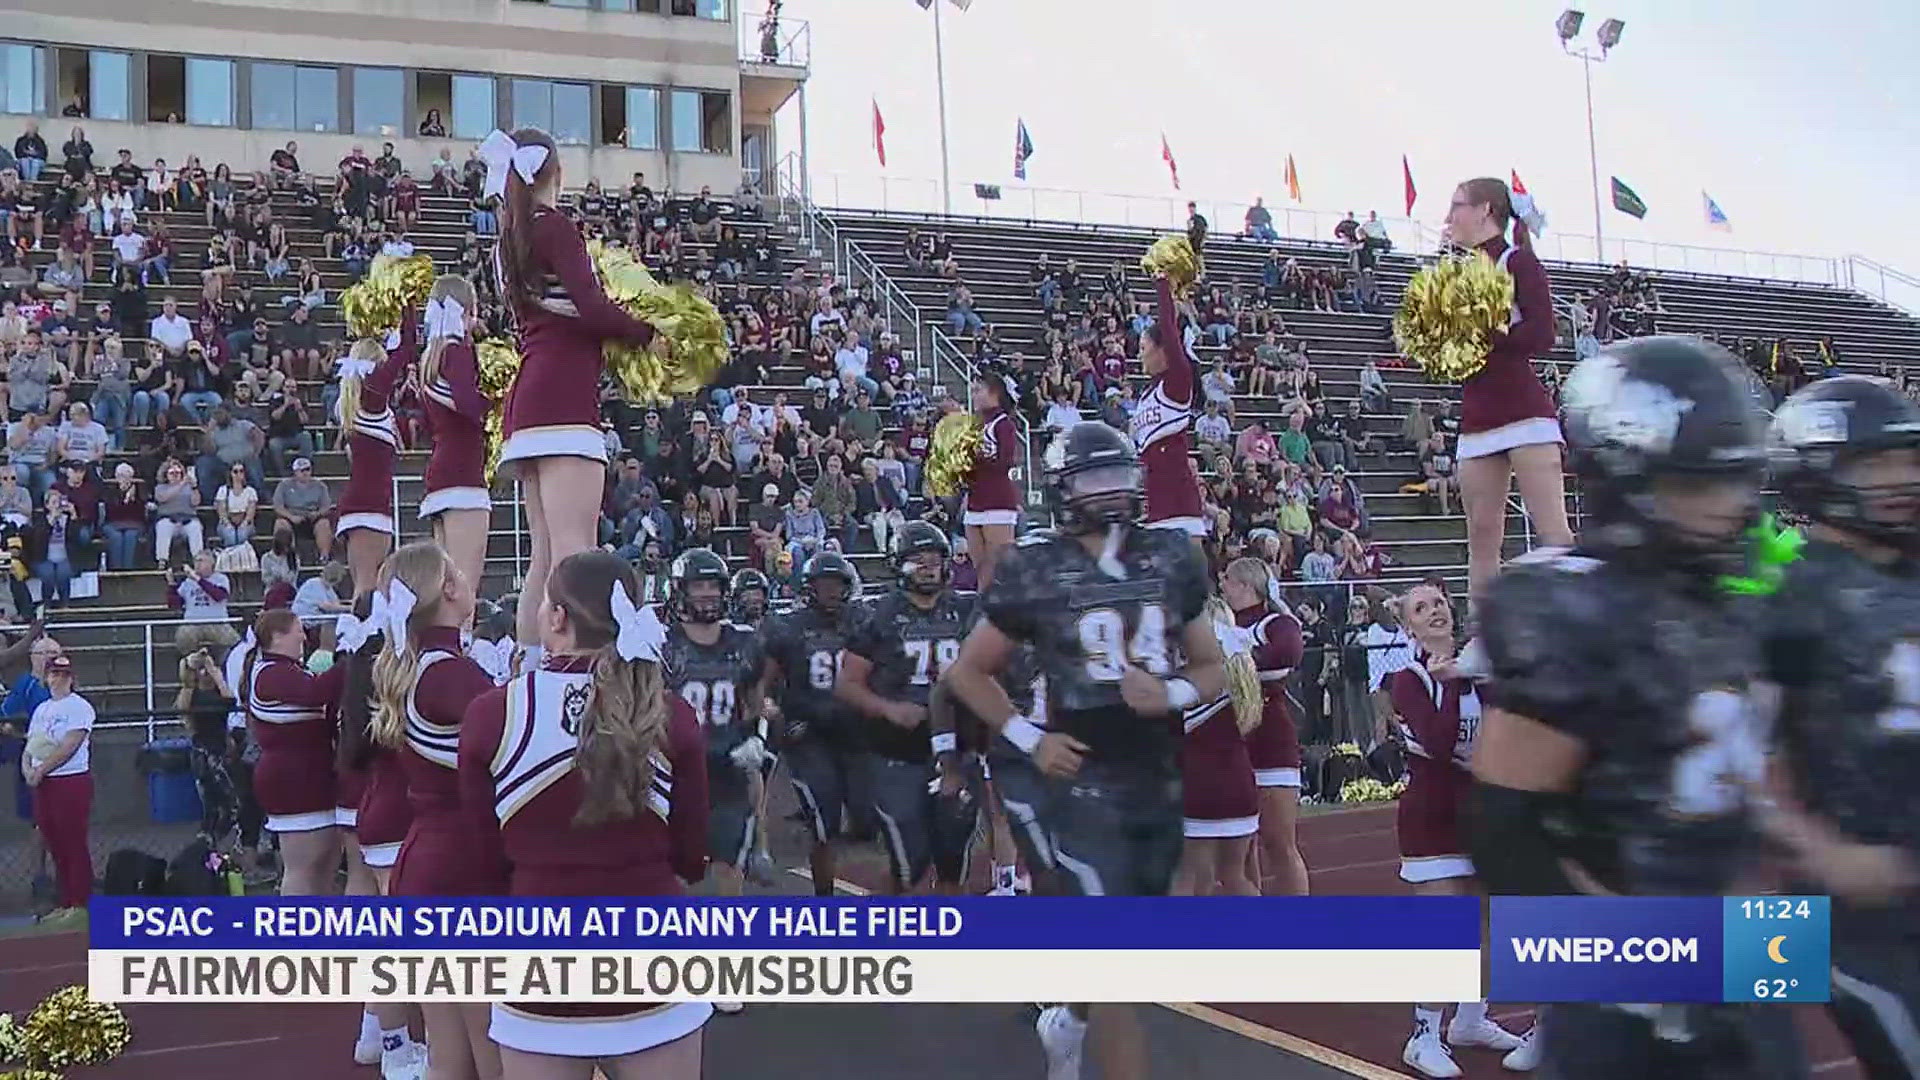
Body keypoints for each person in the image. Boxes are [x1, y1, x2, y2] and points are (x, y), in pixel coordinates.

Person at [1469, 338, 1805, 1079]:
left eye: (1737, 482)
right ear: (1631, 478)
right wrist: (1623, 958)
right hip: (1627, 977)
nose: (1735, 508)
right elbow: (1504, 831)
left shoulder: (1730, 603)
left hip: (1743, 944)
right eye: (1704, 486)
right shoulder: (1572, 605)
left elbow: (1739, 789)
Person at [942, 421, 1225, 1080]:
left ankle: (1068, 1017)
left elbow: (1211, 666)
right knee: (1120, 966)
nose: (1109, 491)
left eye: (1117, 475)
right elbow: (967, 671)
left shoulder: (1171, 555)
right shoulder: (1035, 564)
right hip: (1081, 776)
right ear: (1064, 489)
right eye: (1093, 478)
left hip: (1156, 767)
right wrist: (1027, 737)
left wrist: (1173, 691)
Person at [458, 550, 711, 1080]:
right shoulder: (670, 714)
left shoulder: (491, 714)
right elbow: (691, 858)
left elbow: (483, 864)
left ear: (556, 618)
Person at [1761, 375, 1920, 1080]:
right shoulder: (1789, 602)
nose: (1900, 479)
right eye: (1874, 463)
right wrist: (1822, 848)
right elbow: (1739, 764)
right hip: (1860, 918)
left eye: (1906, 460)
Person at [486, 127, 662, 656]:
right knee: (573, 555)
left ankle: (531, 670)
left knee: (544, 555)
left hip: (529, 400)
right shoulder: (554, 228)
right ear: (555, 174)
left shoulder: (508, 238)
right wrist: (649, 332)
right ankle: (575, 671)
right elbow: (590, 307)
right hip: (563, 398)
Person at [369, 541, 500, 1080]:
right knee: (493, 1045)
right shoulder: (452, 674)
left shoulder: (423, 664)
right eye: (459, 572)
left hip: (427, 861)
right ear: (448, 590)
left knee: (449, 1047)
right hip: (462, 865)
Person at [1388, 578, 1524, 1077]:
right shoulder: (1408, 679)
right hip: (1431, 814)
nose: (1434, 612)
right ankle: (1422, 1034)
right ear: (1409, 625)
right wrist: (1446, 681)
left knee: (1487, 922)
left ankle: (1470, 1020)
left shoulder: (1478, 671)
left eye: (1439, 602)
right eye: (1421, 608)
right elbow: (1441, 742)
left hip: (1479, 812)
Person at [1443, 177, 1572, 605]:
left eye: (1457, 205)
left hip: (1525, 413)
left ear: (1485, 211)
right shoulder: (1454, 272)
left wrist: (1483, 336)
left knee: (1553, 531)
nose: (1449, 216)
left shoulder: (1519, 263)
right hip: (1477, 414)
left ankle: (1581, 636)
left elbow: (1542, 334)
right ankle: (1484, 640)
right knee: (1481, 537)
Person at [835, 521, 977, 895]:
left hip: (955, 750)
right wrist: (887, 709)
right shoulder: (877, 615)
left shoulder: (966, 609)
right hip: (896, 753)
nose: (929, 568)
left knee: (952, 860)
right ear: (899, 564)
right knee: (908, 863)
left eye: (935, 560)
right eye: (919, 560)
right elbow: (847, 685)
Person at [659, 548, 765, 1009]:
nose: (706, 595)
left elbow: (757, 699)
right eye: (698, 586)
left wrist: (758, 736)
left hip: (726, 765)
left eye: (714, 587)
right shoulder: (663, 646)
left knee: (728, 865)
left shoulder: (743, 642)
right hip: (674, 769)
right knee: (670, 868)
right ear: (679, 592)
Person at [332, 596, 426, 1079]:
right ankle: (395, 1047)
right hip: (398, 813)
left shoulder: (361, 665)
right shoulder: (395, 670)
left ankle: (375, 1031)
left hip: (380, 807)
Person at [761, 552, 864, 897]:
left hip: (855, 729)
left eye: (838, 585)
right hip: (810, 730)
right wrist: (773, 711)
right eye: (826, 585)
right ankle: (824, 898)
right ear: (810, 588)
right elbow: (763, 681)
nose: (833, 592)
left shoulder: (862, 622)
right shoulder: (789, 626)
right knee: (824, 821)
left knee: (873, 815)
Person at [242, 608, 348, 896]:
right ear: (276, 636)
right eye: (297, 629)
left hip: (315, 776)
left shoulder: (291, 670)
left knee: (325, 867)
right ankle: (295, 934)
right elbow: (316, 693)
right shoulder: (272, 673)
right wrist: (350, 658)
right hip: (292, 781)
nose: (304, 635)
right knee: (302, 868)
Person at [1219, 557, 1309, 897]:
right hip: (1229, 738)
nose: (1222, 585)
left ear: (1245, 585)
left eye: (1227, 578)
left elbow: (1290, 651)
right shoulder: (1217, 622)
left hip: (1269, 736)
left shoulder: (1275, 620)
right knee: (1238, 848)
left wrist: (1238, 663)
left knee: (1278, 841)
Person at [1171, 608, 1260, 898]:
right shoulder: (1241, 678)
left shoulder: (1185, 683)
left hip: (1196, 782)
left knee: (1186, 878)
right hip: (1239, 780)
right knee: (1235, 876)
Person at [418, 275, 491, 595]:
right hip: (463, 471)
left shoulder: (429, 358)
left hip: (441, 470)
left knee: (444, 587)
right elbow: (469, 405)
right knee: (463, 589)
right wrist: (501, 399)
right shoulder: (457, 352)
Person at [334, 318, 416, 599]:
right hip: (369, 506)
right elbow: (406, 348)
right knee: (369, 591)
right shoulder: (371, 397)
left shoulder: (364, 403)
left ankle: (362, 641)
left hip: (364, 503)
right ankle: (359, 643)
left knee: (369, 590)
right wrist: (406, 302)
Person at [1133, 270, 1205, 545]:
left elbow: (1168, 326)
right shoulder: (1146, 394)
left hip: (1179, 497)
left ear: (1162, 349)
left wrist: (1162, 282)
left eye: (1143, 347)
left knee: (1190, 584)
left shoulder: (1177, 380)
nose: (1140, 354)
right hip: (1155, 498)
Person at [22, 654, 92, 924]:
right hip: (45, 784)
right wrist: (29, 769)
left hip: (70, 779)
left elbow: (70, 745)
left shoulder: (80, 708)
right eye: (54, 674)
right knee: (54, 841)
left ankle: (80, 901)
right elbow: (31, 745)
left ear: (71, 678)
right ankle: (65, 900)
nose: (58, 679)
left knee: (73, 840)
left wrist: (42, 769)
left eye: (63, 675)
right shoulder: (42, 710)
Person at [963, 371, 1022, 592]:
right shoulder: (975, 425)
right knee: (981, 574)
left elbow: (1006, 462)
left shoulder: (1003, 423)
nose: (973, 395)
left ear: (994, 393)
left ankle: (1010, 622)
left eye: (978, 391)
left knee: (1001, 573)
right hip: (974, 501)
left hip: (997, 501)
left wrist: (974, 460)